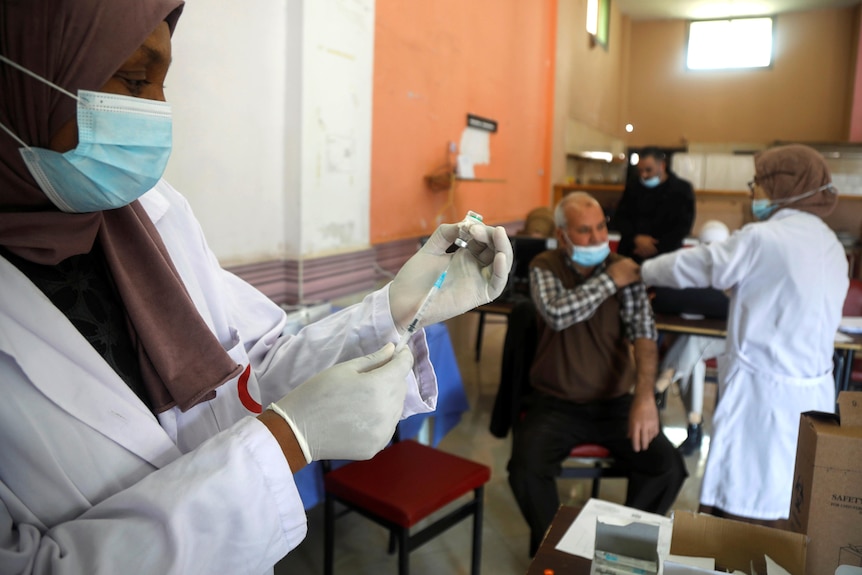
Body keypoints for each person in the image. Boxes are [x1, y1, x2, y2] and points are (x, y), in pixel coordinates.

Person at [0, 2, 513, 573]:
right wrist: (286, 440)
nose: (156, 111)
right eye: (133, 79)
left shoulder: (150, 217)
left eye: (161, 83)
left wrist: (401, 302)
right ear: (20, 69)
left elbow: (253, 363)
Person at [641, 144, 848, 527]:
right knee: (792, 505)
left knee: (741, 514)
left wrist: (643, 271)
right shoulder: (831, 245)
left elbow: (701, 265)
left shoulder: (763, 238)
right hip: (813, 399)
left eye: (760, 183)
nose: (755, 193)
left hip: (761, 399)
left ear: (783, 186)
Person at [507, 192, 687, 556]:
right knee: (525, 470)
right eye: (585, 231)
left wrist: (644, 399)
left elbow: (645, 336)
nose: (598, 238)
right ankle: (559, 553)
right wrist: (609, 282)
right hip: (556, 404)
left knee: (667, 468)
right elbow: (557, 314)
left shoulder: (626, 269)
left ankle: (620, 551)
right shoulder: (545, 264)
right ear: (562, 236)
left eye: (602, 227)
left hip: (615, 404)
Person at [652, 220, 731, 456]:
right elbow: (666, 297)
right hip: (696, 339)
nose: (712, 251)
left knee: (692, 340)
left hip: (727, 340)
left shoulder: (735, 271)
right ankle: (694, 426)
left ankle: (658, 385)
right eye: (706, 245)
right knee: (693, 350)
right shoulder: (689, 267)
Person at [612, 146, 695, 263]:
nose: (643, 175)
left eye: (648, 170)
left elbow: (683, 226)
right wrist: (636, 239)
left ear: (662, 166)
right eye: (640, 170)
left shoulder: (681, 190)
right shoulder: (633, 185)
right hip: (631, 253)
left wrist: (655, 247)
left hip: (666, 257)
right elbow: (621, 217)